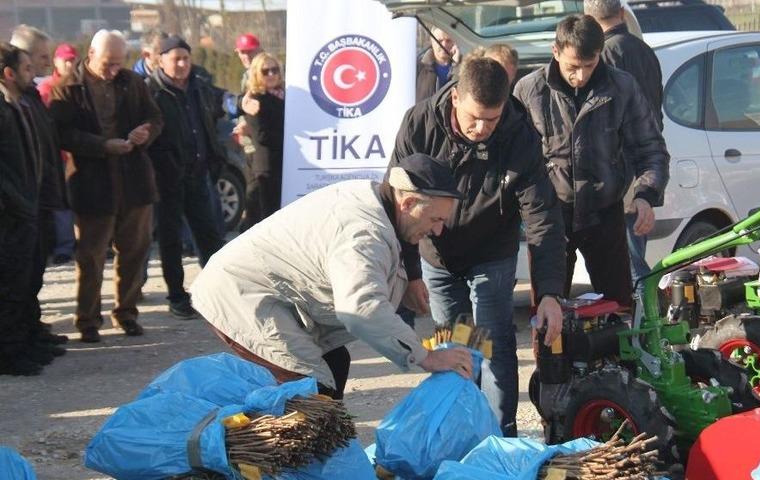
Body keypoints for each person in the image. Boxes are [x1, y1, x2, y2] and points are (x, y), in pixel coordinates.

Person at [190, 153, 474, 399]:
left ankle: (319, 456)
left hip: (261, 290)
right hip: (239, 294)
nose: (437, 231)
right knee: (311, 390)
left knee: (335, 362)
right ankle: (269, 455)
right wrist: (426, 357)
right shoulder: (366, 232)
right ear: (408, 202)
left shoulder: (376, 199)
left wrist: (405, 285)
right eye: (435, 220)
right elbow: (361, 309)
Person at [390, 56, 567, 436]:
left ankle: (500, 434)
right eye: (474, 118)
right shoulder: (419, 124)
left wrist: (550, 292)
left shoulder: (520, 135)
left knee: (492, 343)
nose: (482, 128)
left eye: (492, 119)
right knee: (454, 345)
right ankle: (461, 430)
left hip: (492, 252)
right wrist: (410, 274)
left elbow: (542, 216)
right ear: (455, 97)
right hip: (436, 255)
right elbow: (398, 205)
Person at [513, 14, 669, 308]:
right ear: (555, 51)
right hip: (550, 217)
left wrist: (646, 194)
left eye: (589, 65)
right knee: (549, 313)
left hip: (605, 213)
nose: (581, 76)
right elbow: (515, 160)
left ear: (600, 54)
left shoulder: (622, 87)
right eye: (573, 67)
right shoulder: (529, 91)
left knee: (618, 310)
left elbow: (651, 149)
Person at [50, 30, 164, 343]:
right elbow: (62, 134)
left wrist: (146, 131)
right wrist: (103, 145)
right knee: (90, 255)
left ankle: (126, 312)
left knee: (134, 251)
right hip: (92, 184)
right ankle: (87, 319)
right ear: (90, 55)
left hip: (134, 181)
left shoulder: (133, 82)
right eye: (106, 63)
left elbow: (156, 117)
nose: (113, 70)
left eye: (118, 63)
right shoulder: (68, 88)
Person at [584, 0, 664, 298]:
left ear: (588, 18)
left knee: (628, 266)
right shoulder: (644, 51)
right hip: (645, 170)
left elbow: (605, 122)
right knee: (632, 259)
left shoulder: (602, 56)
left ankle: (645, 329)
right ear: (621, 13)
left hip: (619, 177)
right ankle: (645, 324)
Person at [145, 36, 226, 319]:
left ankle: (218, 291)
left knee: (210, 236)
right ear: (161, 60)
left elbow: (223, 104)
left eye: (186, 59)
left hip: (198, 175)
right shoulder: (150, 92)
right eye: (175, 59)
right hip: (168, 179)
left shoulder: (199, 88)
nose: (181, 64)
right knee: (170, 240)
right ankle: (177, 296)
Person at [11, 25, 70, 353]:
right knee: (21, 276)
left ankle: (32, 329)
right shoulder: (14, 102)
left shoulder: (31, 96)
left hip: (42, 199)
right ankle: (19, 339)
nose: (47, 63)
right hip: (24, 203)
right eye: (41, 58)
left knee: (35, 272)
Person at [0, 43, 43, 375]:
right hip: (11, 213)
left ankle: (27, 339)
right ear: (9, 73)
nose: (33, 73)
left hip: (26, 206)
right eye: (26, 68)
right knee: (10, 284)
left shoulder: (18, 104)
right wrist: (20, 205)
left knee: (26, 280)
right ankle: (10, 353)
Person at [37, 43, 77, 266]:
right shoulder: (46, 88)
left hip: (79, 154)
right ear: (56, 61)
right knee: (62, 204)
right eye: (65, 60)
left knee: (82, 202)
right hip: (58, 156)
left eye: (73, 59)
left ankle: (85, 241)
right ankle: (64, 246)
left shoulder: (81, 85)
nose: (70, 64)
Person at [240, 52, 285, 226]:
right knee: (267, 219)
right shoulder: (255, 100)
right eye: (266, 71)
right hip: (267, 167)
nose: (272, 74)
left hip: (285, 165)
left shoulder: (286, 96)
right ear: (257, 74)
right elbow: (261, 135)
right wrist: (289, 137)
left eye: (275, 70)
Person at [416, 26, 460, 102]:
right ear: (432, 42)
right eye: (439, 41)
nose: (444, 45)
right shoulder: (419, 67)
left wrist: (457, 65)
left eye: (448, 40)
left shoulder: (462, 67)